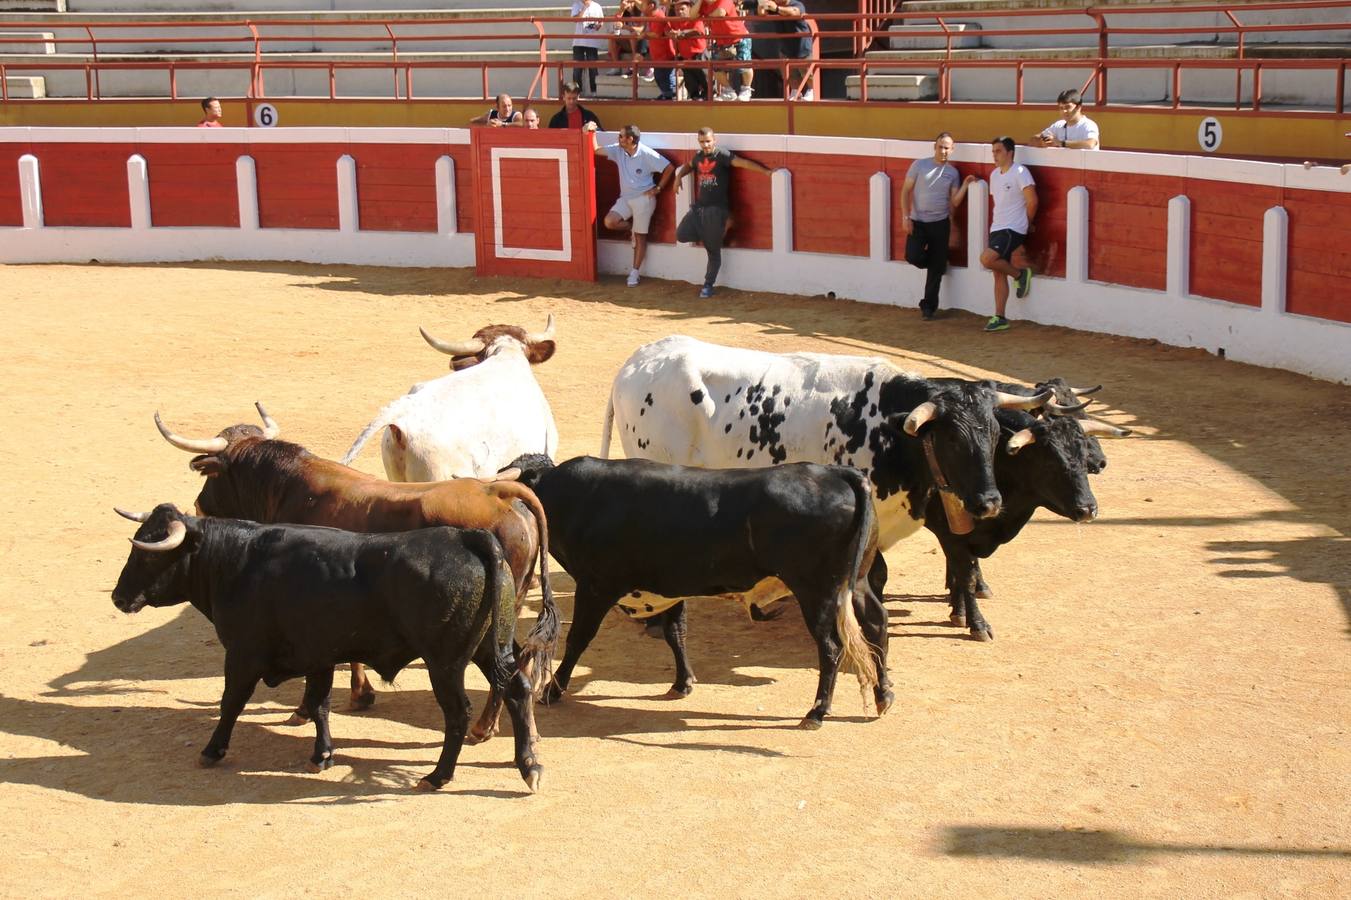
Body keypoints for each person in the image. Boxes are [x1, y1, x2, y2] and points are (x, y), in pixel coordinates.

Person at [673, 126, 773, 297]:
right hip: (699, 209)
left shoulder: (722, 156)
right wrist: (677, 178)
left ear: (714, 140)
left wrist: (766, 171)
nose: (705, 145)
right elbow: (688, 166)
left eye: (708, 141)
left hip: (716, 210)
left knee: (713, 252)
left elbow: (743, 163)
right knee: (681, 234)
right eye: (702, 142)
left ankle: (708, 285)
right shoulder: (699, 156)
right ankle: (712, 234)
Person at [902, 132, 976, 320]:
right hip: (918, 222)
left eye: (947, 148)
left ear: (952, 149)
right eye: (940, 147)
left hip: (940, 223)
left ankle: (929, 307)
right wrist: (905, 217)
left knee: (934, 271)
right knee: (913, 256)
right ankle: (938, 262)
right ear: (934, 147)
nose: (943, 151)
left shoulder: (952, 173)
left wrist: (966, 185)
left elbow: (955, 201)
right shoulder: (919, 165)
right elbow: (905, 191)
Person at [596, 125, 674, 286]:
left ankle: (634, 272)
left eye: (621, 136)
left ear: (630, 139)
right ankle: (630, 228)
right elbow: (596, 150)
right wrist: (589, 132)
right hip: (625, 198)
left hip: (643, 200)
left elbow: (669, 168)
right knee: (610, 221)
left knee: (640, 237)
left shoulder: (646, 153)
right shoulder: (618, 150)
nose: (619, 138)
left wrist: (658, 188)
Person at [979, 136, 1037, 333]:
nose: (994, 155)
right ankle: (1000, 317)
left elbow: (1032, 201)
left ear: (1010, 152)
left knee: (987, 259)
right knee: (997, 272)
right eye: (993, 151)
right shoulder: (994, 175)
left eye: (998, 151)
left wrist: (1027, 223)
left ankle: (1020, 274)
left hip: (1013, 228)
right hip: (998, 227)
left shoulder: (1020, 172)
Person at [754, 0, 812, 100]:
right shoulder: (773, 6)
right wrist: (762, 4)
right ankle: (795, 91)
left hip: (801, 44)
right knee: (789, 72)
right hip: (785, 45)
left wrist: (776, 8)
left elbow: (794, 12)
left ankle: (811, 91)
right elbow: (761, 14)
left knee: (806, 71)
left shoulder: (796, 4)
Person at [700, 0, 753, 101]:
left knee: (744, 65)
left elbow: (720, 13)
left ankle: (746, 90)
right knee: (716, 67)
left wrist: (707, 17)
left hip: (739, 37)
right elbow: (692, 15)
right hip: (721, 41)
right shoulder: (704, 4)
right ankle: (729, 92)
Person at [1031, 88, 1100, 150]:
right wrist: (1043, 142)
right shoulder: (1058, 125)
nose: (1064, 111)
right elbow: (1033, 139)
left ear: (1078, 107)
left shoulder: (1088, 124)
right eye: (1061, 108)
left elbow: (1090, 144)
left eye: (1068, 107)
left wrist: (1061, 143)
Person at [670, 0, 709, 100]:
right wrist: (671, 33)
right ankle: (695, 97)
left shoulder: (695, 17)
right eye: (677, 10)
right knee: (690, 81)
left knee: (705, 79)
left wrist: (682, 33)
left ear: (689, 8)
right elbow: (668, 29)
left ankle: (708, 95)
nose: (679, 12)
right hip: (685, 56)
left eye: (682, 9)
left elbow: (698, 31)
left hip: (699, 54)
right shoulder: (675, 21)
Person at [640, 0, 678, 100]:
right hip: (658, 54)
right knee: (659, 76)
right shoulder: (652, 17)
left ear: (651, 5)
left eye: (643, 4)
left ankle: (671, 96)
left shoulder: (658, 16)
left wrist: (644, 34)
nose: (641, 6)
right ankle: (667, 94)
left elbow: (657, 34)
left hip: (665, 54)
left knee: (667, 76)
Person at [571, 0, 607, 96]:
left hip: (592, 42)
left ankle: (594, 91)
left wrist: (599, 25)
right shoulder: (576, 5)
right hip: (578, 42)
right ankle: (577, 92)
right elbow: (575, 20)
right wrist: (584, 8)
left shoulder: (597, 6)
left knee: (593, 67)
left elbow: (601, 21)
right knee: (577, 69)